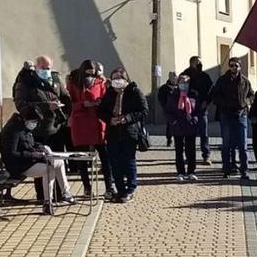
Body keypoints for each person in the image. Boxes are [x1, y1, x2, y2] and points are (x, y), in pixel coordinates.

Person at [0, 106, 73, 215]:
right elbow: (12, 154)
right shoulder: (13, 130)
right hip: (18, 165)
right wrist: (34, 155)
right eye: (33, 121)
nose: (34, 124)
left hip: (29, 161)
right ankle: (47, 203)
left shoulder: (24, 128)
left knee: (59, 162)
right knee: (49, 170)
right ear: (25, 119)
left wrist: (42, 147)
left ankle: (66, 193)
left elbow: (30, 144)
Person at [97, 68, 147, 202]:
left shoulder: (134, 92)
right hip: (113, 132)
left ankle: (130, 189)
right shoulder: (110, 93)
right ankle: (120, 190)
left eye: (119, 79)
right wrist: (109, 119)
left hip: (129, 132)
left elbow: (143, 110)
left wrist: (128, 118)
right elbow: (101, 111)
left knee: (128, 161)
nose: (116, 82)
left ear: (125, 79)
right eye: (114, 79)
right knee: (114, 162)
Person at [67, 60, 113, 197]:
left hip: (97, 123)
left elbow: (106, 99)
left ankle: (109, 187)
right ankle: (87, 188)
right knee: (83, 158)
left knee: (105, 157)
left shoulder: (100, 82)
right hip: (81, 124)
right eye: (88, 74)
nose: (91, 77)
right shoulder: (73, 82)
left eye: (93, 74)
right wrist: (82, 104)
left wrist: (100, 103)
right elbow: (69, 104)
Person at [208, 58, 255, 179]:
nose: (234, 68)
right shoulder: (222, 81)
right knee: (227, 144)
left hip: (241, 115)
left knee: (242, 145)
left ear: (240, 67)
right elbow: (214, 96)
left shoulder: (245, 81)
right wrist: (224, 103)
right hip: (226, 115)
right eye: (231, 65)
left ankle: (245, 170)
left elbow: (251, 94)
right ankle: (227, 169)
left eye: (236, 66)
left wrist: (247, 102)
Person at [167, 74, 202, 181]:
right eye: (182, 82)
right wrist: (173, 121)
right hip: (178, 126)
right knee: (179, 150)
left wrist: (195, 118)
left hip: (190, 125)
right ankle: (180, 172)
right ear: (178, 83)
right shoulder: (174, 95)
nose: (184, 84)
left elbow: (198, 109)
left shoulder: (194, 94)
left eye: (186, 82)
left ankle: (191, 171)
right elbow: (168, 111)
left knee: (191, 150)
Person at [180, 57, 214, 164]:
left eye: (200, 62)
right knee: (189, 134)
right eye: (197, 62)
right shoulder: (185, 75)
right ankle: (189, 156)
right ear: (191, 63)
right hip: (189, 109)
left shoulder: (204, 76)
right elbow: (181, 90)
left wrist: (206, 101)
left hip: (202, 109)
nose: (199, 63)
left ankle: (206, 155)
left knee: (204, 134)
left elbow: (211, 90)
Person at [157, 71, 178, 147]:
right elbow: (161, 98)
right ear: (169, 77)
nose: (174, 78)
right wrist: (165, 106)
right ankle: (169, 139)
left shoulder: (179, 87)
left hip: (179, 109)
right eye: (172, 77)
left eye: (175, 76)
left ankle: (178, 140)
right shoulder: (164, 88)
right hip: (169, 109)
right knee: (170, 124)